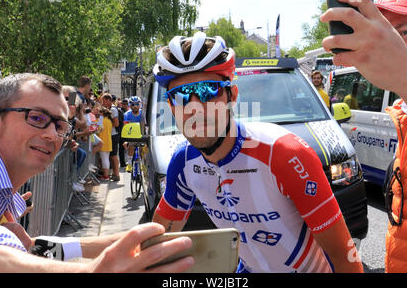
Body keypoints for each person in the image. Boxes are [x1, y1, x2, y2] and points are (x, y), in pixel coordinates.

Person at [151, 32, 363, 273]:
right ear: (170, 106)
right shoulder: (183, 163)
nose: (195, 108)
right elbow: (155, 247)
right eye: (180, 97)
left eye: (208, 91)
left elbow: (345, 257)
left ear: (232, 95)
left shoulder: (283, 153)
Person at [0, 73, 193, 272]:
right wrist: (91, 270)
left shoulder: (4, 193)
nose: (52, 135)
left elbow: (33, 246)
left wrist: (142, 244)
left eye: (60, 126)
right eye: (36, 118)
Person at [321, 0, 407, 272]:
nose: (390, 42)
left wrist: (405, 71)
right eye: (386, 32)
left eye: (403, 32)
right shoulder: (404, 112)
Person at [123, 96, 145, 173]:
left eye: (137, 104)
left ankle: (142, 163)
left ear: (140, 105)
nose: (135, 106)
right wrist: (125, 140)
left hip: (141, 134)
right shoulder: (127, 114)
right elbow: (125, 127)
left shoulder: (143, 113)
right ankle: (129, 164)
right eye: (133, 104)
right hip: (131, 135)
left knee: (143, 148)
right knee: (131, 146)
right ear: (130, 105)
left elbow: (145, 125)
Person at [102, 93, 120, 181]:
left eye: (104, 101)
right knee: (111, 156)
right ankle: (114, 173)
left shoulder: (113, 109)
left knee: (113, 155)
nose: (103, 103)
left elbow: (116, 123)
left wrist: (107, 126)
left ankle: (116, 173)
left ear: (109, 100)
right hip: (110, 135)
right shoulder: (110, 109)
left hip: (113, 135)